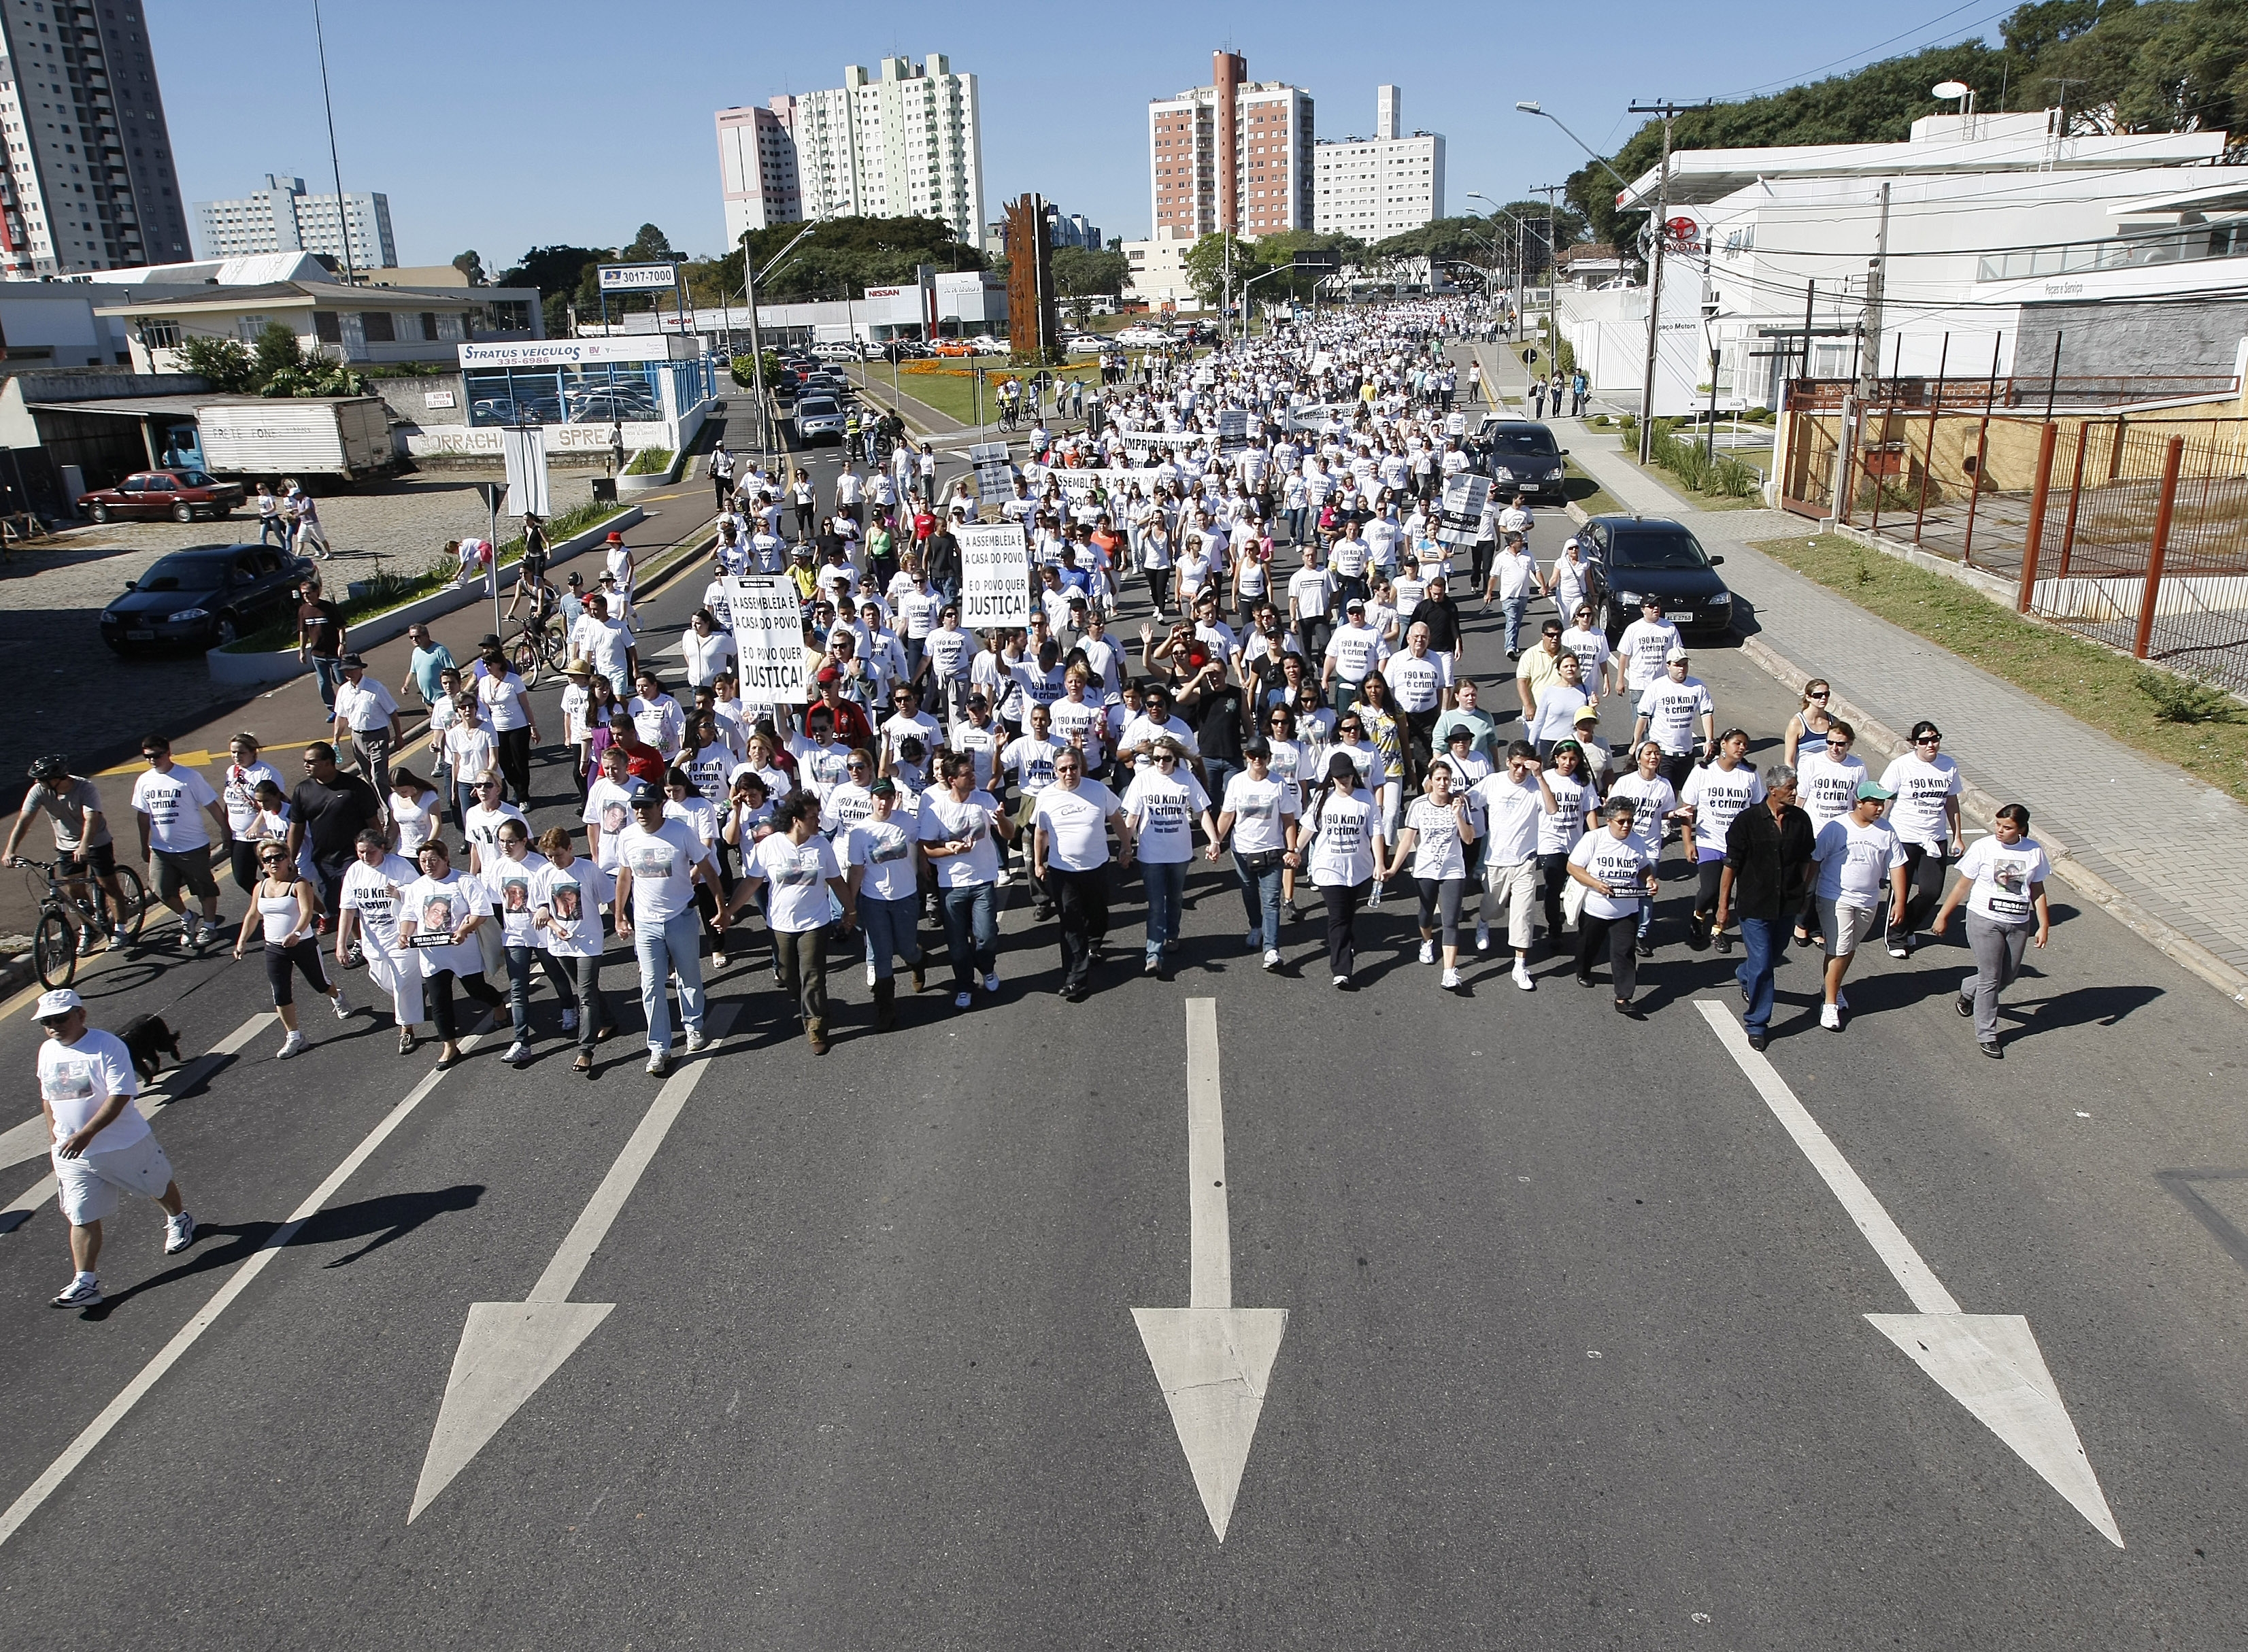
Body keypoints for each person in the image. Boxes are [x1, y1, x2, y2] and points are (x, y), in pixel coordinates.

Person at [34, 988, 196, 1311]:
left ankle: (179, 1219)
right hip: (73, 1154)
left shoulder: (107, 1046)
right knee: (80, 1215)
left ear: (81, 1015)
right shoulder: (48, 1051)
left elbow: (121, 1095)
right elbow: (48, 1098)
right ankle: (85, 1282)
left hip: (123, 1143)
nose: (54, 1026)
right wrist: (55, 1139)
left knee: (156, 1185)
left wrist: (87, 1133)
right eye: (46, 1022)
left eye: (61, 1018)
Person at [613, 778, 720, 1075]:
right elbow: (625, 878)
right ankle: (659, 1047)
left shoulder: (681, 833)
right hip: (645, 923)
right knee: (651, 985)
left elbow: (709, 871)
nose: (641, 812)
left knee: (688, 976)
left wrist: (721, 909)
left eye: (647, 806)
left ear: (661, 806)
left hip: (680, 918)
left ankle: (694, 1026)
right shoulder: (628, 837)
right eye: (636, 807)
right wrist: (619, 915)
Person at [1932, 803, 2052, 1059]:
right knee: (1990, 977)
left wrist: (2043, 925)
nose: (1999, 830)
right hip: (1984, 919)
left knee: (2007, 976)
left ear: (2021, 829)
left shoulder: (2033, 851)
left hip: (2018, 922)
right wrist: (1943, 915)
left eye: (2007, 827)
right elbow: (1962, 886)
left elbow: (2037, 890)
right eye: (1997, 824)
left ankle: (1967, 991)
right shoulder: (1983, 847)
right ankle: (1987, 1034)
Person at [1713, 764, 1815, 1051]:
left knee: (1772, 956)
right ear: (1773, 791)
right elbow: (1730, 867)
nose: (1795, 793)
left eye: (1795, 787)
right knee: (1763, 965)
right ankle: (1757, 1024)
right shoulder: (1746, 822)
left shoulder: (1801, 821)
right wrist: (1723, 908)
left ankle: (1745, 974)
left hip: (1787, 903)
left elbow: (1807, 857)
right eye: (1791, 788)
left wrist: (1805, 891)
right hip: (1755, 905)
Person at [231, 839, 350, 1058]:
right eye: (268, 859)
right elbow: (253, 915)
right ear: (263, 865)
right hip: (274, 948)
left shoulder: (299, 884)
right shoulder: (261, 887)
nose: (274, 862)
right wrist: (242, 941)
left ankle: (337, 996)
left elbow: (307, 912)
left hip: (302, 944)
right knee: (280, 992)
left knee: (319, 984)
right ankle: (294, 1036)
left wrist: (296, 933)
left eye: (279, 857)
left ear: (288, 859)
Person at [1808, 780, 1911, 1032]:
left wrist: (1899, 901)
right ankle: (1830, 1003)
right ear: (1859, 803)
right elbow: (1815, 860)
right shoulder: (1836, 828)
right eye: (1874, 803)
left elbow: (1896, 865)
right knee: (1839, 948)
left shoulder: (1887, 831)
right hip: (1835, 896)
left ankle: (1832, 985)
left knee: (1850, 947)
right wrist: (1804, 893)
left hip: (1868, 900)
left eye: (1883, 803)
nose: (1879, 809)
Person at [397, 837, 507, 1070]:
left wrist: (465, 929)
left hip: (462, 952)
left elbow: (482, 912)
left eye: (433, 860)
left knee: (476, 990)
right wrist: (404, 934)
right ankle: (450, 1046)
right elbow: (409, 916)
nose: (428, 865)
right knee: (439, 1001)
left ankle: (497, 1004)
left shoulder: (463, 881)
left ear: (446, 859)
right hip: (432, 955)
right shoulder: (418, 887)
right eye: (423, 861)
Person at [6, 754, 128, 956]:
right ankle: (88, 928)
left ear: (58, 779)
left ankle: (121, 931)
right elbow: (24, 820)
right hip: (65, 845)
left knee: (109, 885)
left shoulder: (85, 788)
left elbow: (91, 819)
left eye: (42, 779)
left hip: (96, 842)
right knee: (75, 891)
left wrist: (84, 846)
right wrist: (10, 851)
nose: (37, 783)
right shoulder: (39, 790)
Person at [1033, 747, 1129, 1000]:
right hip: (1062, 871)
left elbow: (1117, 820)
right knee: (1071, 924)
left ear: (1080, 767)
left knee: (1097, 914)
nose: (1069, 773)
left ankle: (1095, 942)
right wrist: (1038, 863)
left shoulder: (1098, 790)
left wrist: (1127, 846)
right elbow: (1040, 833)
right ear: (1055, 771)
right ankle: (1075, 979)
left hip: (1096, 867)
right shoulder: (1046, 796)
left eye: (1073, 768)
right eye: (1063, 769)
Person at [1122, 735, 1217, 980]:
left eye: (1166, 759)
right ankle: (1153, 955)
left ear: (1175, 758)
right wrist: (1125, 845)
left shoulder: (1186, 779)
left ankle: (1172, 933)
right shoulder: (1142, 780)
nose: (1161, 763)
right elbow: (1131, 817)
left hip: (1180, 852)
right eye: (1156, 759)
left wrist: (1214, 840)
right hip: (1151, 853)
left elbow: (1202, 812)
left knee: (1175, 897)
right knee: (1156, 904)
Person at [488, 818, 576, 1067]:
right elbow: (497, 902)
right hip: (515, 936)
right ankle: (521, 1042)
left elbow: (554, 895)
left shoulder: (538, 865)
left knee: (556, 974)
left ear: (524, 840)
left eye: (511, 842)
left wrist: (544, 910)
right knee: (517, 988)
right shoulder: (497, 867)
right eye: (501, 842)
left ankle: (569, 1007)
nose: (505, 846)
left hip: (542, 934)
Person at [131, 733, 229, 948]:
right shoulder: (144, 781)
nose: (152, 760)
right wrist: (143, 845)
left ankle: (210, 926)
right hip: (160, 848)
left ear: (168, 753)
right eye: (147, 756)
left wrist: (225, 830)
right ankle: (188, 917)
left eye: (157, 755)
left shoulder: (189, 777)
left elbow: (211, 804)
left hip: (193, 846)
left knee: (204, 888)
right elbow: (142, 815)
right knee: (160, 889)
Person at [1207, 738, 1296, 971]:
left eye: (1262, 755)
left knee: (1272, 900)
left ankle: (1272, 949)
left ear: (1269, 758)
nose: (1257, 760)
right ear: (1246, 757)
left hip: (1272, 849)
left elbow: (1288, 819)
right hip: (1242, 849)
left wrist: (1292, 848)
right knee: (1249, 891)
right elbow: (1227, 816)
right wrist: (1216, 842)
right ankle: (1255, 927)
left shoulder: (1278, 784)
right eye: (1252, 755)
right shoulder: (1237, 783)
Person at [530, 826, 614, 1075]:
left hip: (588, 941)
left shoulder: (587, 870)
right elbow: (538, 905)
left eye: (558, 855)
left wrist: (622, 919)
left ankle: (585, 1050)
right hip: (561, 942)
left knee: (585, 994)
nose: (554, 861)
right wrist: (549, 918)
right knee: (584, 986)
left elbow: (609, 897)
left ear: (569, 848)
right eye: (549, 856)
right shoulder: (544, 873)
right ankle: (609, 1020)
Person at [1388, 756, 1476, 990]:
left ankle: (1449, 971)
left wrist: (1458, 815)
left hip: (1453, 869)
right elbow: (1407, 841)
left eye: (1446, 779)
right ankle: (1427, 941)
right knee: (1426, 914)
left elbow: (1468, 839)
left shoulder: (1460, 804)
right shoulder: (1418, 805)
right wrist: (1394, 869)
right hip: (1426, 868)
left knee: (1451, 920)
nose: (1443, 783)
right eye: (1438, 779)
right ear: (1431, 781)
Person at [1568, 798, 1662, 1017]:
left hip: (1627, 910)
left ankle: (1623, 997)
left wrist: (1649, 881)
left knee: (1624, 952)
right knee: (1588, 945)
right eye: (1622, 821)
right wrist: (1595, 884)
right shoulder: (1594, 839)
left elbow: (1643, 867)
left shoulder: (1637, 842)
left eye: (1630, 821)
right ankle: (1583, 970)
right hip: (1596, 908)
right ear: (1609, 821)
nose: (1627, 826)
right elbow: (1573, 867)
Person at [335, 830, 425, 1056]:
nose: (365, 857)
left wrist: (399, 893)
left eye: (370, 852)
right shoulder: (354, 872)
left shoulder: (399, 866)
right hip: (373, 941)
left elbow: (420, 895)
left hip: (400, 936)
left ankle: (407, 1030)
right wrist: (341, 943)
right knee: (384, 981)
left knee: (403, 984)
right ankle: (415, 996)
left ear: (383, 848)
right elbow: (348, 909)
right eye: (361, 852)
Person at [841, 777, 923, 1026]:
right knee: (882, 954)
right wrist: (850, 906)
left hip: (906, 896)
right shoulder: (859, 833)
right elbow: (856, 870)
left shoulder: (907, 823)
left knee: (907, 947)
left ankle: (919, 961)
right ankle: (885, 1007)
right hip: (874, 900)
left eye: (888, 797)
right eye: (879, 797)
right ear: (872, 800)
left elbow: (922, 846)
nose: (884, 803)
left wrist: (925, 869)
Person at [1299, 751, 1385, 988]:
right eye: (1339, 776)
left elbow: (1376, 832)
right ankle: (1341, 969)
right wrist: (1295, 850)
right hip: (1329, 869)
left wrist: (1379, 863)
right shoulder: (1322, 799)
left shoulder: (1365, 798)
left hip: (1359, 870)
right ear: (1332, 777)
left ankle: (1347, 941)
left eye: (1347, 775)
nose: (1344, 780)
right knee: (1337, 918)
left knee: (1347, 915)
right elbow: (1308, 827)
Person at [1878, 720, 1963, 958]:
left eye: (1935, 739)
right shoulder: (1901, 766)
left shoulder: (1948, 766)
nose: (1931, 745)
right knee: (1900, 890)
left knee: (1931, 891)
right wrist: (1879, 828)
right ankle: (1895, 938)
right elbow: (1885, 798)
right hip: (1904, 836)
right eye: (1924, 741)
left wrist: (1957, 836)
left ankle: (1907, 926)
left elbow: (1952, 802)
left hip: (1934, 838)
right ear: (1915, 744)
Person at [1677, 728, 1764, 955]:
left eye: (1745, 744)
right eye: (1737, 743)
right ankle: (1698, 917)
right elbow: (1687, 810)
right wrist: (1688, 842)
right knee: (1710, 890)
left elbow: (1758, 810)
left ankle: (1718, 930)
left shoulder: (1749, 775)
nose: (1742, 747)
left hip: (1738, 846)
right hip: (1709, 842)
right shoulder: (1703, 772)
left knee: (1727, 893)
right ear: (1723, 744)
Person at [1471, 741, 1548, 990]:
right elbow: (1469, 799)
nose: (1520, 772)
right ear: (1507, 762)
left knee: (1523, 914)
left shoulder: (1536, 785)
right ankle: (1483, 923)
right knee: (1493, 908)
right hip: (1496, 860)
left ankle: (1520, 965)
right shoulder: (1494, 782)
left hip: (1525, 861)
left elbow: (1552, 808)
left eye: (1525, 767)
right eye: (1516, 766)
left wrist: (1540, 776)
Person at [286, 741, 384, 932]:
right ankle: (360, 940)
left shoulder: (354, 787)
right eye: (305, 761)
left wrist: (379, 850)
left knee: (354, 902)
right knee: (337, 904)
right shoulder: (302, 790)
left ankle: (363, 941)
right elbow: (296, 827)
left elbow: (373, 821)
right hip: (323, 860)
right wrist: (290, 858)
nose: (306, 765)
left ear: (329, 763)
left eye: (311, 762)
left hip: (354, 857)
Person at [331, 653, 404, 799]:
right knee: (367, 777)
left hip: (378, 737)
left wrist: (399, 737)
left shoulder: (376, 688)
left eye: (352, 669)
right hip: (357, 738)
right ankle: (379, 805)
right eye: (346, 670)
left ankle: (389, 812)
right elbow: (341, 717)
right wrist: (336, 740)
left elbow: (392, 713)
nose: (349, 673)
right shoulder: (343, 691)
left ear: (360, 669)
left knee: (378, 778)